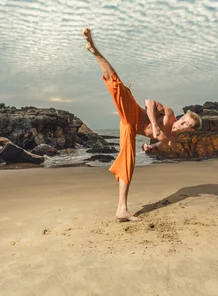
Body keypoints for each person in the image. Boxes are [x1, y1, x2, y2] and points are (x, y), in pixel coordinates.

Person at [83, 28, 202, 222]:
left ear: (189, 130)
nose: (180, 125)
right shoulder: (170, 115)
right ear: (181, 117)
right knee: (118, 87)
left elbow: (159, 147)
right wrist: (155, 124)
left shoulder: (171, 140)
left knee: (128, 163)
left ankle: (122, 209)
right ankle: (94, 50)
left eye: (185, 126)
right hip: (134, 113)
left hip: (129, 128)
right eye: (183, 121)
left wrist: (150, 148)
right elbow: (149, 102)